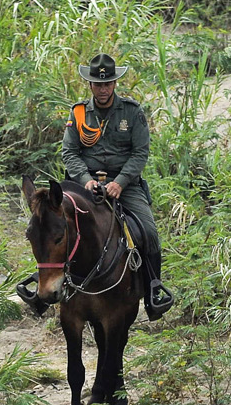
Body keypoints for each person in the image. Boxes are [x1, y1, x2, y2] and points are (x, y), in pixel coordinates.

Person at [60, 53, 174, 320]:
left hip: (125, 184)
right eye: (98, 84)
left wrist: (120, 183)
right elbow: (69, 152)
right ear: (90, 85)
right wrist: (84, 179)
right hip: (84, 183)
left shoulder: (132, 112)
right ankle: (46, 290)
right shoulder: (78, 112)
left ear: (114, 84)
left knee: (149, 232)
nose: (103, 89)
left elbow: (140, 152)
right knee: (51, 224)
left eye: (108, 83)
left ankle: (153, 291)